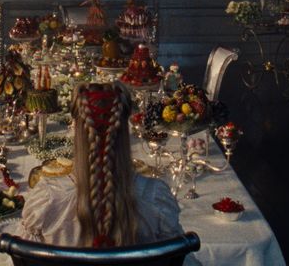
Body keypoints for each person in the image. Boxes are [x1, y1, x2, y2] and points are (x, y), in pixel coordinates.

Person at [21, 82, 184, 249]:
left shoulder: (48, 201)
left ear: (76, 130)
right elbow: (177, 256)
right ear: (124, 132)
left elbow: (23, 256)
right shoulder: (155, 199)